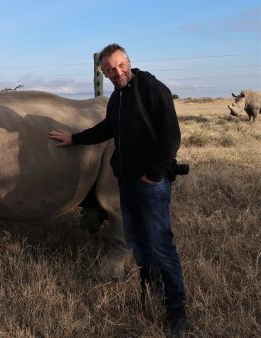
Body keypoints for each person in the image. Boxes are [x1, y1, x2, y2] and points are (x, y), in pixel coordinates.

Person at [49, 43, 188, 336]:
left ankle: (176, 311)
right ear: (104, 72)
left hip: (150, 184)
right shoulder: (117, 98)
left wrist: (153, 174)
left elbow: (171, 136)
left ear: (128, 62)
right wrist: (74, 138)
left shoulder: (150, 87)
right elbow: (106, 130)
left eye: (120, 65)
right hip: (127, 184)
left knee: (160, 245)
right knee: (138, 243)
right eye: (110, 69)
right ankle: (150, 294)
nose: (116, 72)